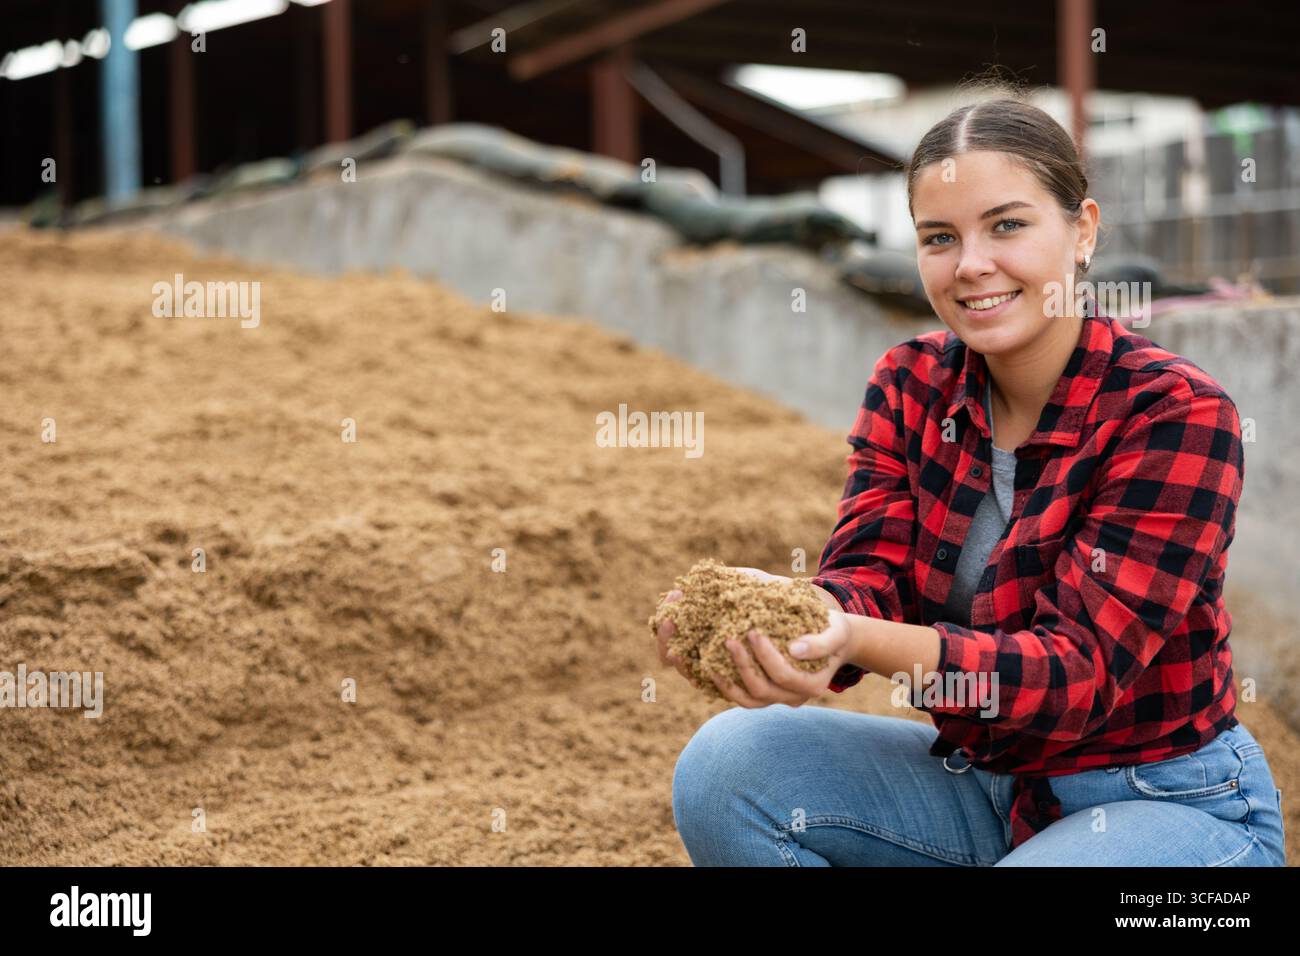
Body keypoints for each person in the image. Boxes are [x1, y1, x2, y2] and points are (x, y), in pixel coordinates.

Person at [658, 88, 1286, 867]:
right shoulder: (911, 381)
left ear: (1082, 231)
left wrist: (855, 637)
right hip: (984, 785)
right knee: (731, 768)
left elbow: (1076, 676)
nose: (972, 266)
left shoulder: (1174, 414)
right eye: (939, 238)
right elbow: (868, 574)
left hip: (1159, 800)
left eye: (1008, 226)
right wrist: (796, 617)